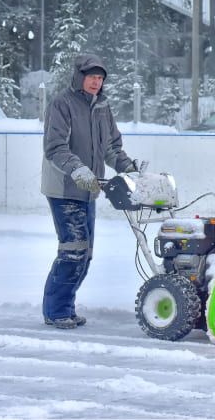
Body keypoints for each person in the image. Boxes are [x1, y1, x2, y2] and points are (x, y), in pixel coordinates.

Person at [40, 53, 139, 329]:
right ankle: (56, 311)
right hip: (64, 187)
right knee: (73, 250)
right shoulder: (62, 105)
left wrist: (129, 168)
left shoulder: (102, 107)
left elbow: (111, 148)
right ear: (79, 77)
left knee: (86, 253)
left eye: (100, 78)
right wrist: (78, 170)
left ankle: (65, 308)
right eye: (91, 77)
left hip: (90, 189)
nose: (96, 82)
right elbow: (55, 148)